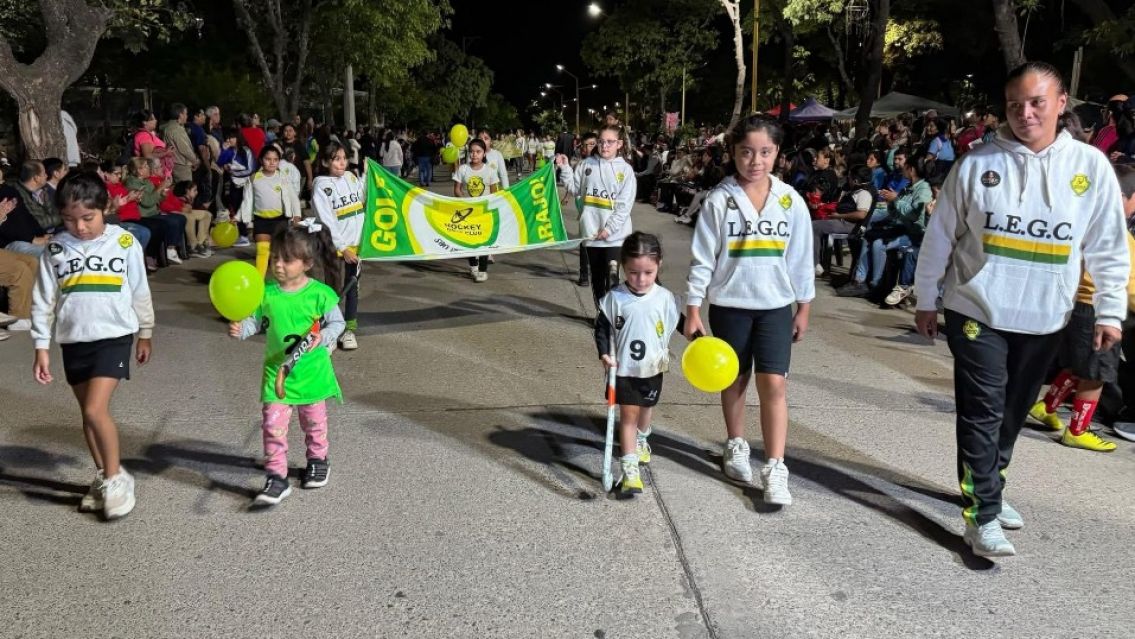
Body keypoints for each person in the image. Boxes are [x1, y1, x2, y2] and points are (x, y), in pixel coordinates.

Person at [914, 62, 1131, 558]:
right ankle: (982, 514)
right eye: (1015, 104)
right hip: (977, 309)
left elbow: (1107, 247)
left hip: (1045, 316)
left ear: (1061, 104)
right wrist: (928, 298)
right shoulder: (975, 164)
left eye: (1036, 102)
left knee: (1012, 411)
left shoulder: (1090, 168)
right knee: (982, 411)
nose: (1025, 113)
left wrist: (1110, 312)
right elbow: (941, 236)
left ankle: (991, 483)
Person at [684, 115, 814, 506]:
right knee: (735, 381)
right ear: (733, 153)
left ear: (777, 153)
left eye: (764, 152)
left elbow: (801, 258)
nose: (755, 160)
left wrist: (803, 306)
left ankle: (775, 467)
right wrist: (693, 307)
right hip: (730, 307)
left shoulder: (791, 200)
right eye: (746, 152)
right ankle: (736, 444)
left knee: (774, 385)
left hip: (775, 308)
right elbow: (702, 259)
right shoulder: (719, 200)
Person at [31, 172, 155, 520]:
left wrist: (145, 331)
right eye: (70, 219)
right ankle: (103, 477)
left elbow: (139, 289)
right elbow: (43, 300)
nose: (80, 227)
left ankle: (117, 478)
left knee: (94, 411)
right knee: (87, 414)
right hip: (73, 340)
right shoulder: (55, 249)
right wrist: (41, 345)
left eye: (88, 218)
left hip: (113, 337)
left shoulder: (125, 243)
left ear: (105, 208)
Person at [229, 223, 344, 506]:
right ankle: (276, 477)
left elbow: (337, 323)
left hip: (311, 374)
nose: (278, 265)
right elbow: (255, 322)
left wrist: (325, 337)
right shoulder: (266, 293)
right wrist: (240, 329)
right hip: (276, 373)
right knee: (272, 425)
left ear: (306, 263)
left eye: (286, 260)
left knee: (314, 423)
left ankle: (317, 459)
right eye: (275, 258)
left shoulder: (320, 294)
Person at [593, 232, 681, 496]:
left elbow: (681, 321)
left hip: (653, 368)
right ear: (622, 267)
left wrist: (698, 337)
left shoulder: (665, 298)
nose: (640, 280)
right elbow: (601, 328)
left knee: (646, 408)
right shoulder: (615, 298)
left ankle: (643, 437)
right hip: (625, 369)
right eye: (633, 273)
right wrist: (604, 354)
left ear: (659, 266)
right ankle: (630, 467)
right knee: (629, 415)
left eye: (648, 273)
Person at [555, 124, 636, 309]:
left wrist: (608, 229)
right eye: (601, 141)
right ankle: (601, 314)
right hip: (591, 236)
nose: (605, 146)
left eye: (610, 142)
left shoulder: (626, 171)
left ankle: (614, 315)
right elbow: (575, 189)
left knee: (613, 280)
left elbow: (624, 207)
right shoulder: (585, 165)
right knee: (598, 280)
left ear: (619, 144)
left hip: (615, 238)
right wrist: (565, 168)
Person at [312, 141, 365, 351]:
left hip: (357, 246)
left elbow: (363, 196)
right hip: (335, 248)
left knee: (353, 288)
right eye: (336, 159)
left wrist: (368, 175)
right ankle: (330, 333)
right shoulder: (320, 186)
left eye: (344, 158)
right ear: (325, 162)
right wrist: (343, 248)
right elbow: (327, 222)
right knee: (332, 290)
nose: (341, 163)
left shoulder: (351, 177)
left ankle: (349, 330)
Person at [239, 145, 302, 277]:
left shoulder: (283, 177)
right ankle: (259, 283)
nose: (272, 162)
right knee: (262, 251)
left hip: (280, 220)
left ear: (279, 161)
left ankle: (285, 280)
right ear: (261, 160)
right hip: (261, 220)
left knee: (280, 253)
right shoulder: (254, 178)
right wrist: (238, 216)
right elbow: (247, 200)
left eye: (275, 159)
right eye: (268, 159)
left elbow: (293, 198)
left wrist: (297, 215)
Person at [452, 139, 500, 283]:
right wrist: (467, 201)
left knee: (484, 241)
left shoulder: (490, 170)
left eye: (478, 152)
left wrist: (487, 206)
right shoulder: (463, 169)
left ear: (484, 153)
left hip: (484, 213)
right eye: (472, 151)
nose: (474, 155)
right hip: (468, 212)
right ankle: (473, 266)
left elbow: (494, 193)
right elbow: (457, 189)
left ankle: (483, 270)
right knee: (470, 239)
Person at [159, 181, 213, 258]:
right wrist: (181, 208)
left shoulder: (185, 197)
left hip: (180, 210)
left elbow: (187, 208)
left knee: (207, 215)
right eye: (194, 190)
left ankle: (200, 243)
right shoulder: (167, 191)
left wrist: (186, 206)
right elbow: (164, 206)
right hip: (170, 213)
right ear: (187, 191)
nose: (196, 192)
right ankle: (192, 246)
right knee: (190, 217)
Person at [162, 103, 198, 183]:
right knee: (185, 191)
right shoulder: (176, 129)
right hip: (181, 165)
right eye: (186, 113)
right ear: (180, 115)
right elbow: (184, 149)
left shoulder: (168, 127)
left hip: (174, 164)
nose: (187, 116)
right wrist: (195, 161)